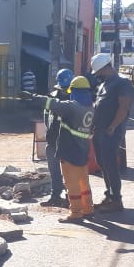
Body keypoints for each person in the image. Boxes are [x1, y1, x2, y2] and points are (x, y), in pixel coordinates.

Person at [21, 76, 95, 221]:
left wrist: (32, 97)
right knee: (83, 182)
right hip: (83, 150)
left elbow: (52, 103)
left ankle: (76, 213)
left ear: (74, 91)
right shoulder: (91, 107)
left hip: (69, 151)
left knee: (71, 183)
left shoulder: (72, 106)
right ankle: (88, 209)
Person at [88, 52, 134, 212]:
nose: (98, 75)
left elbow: (124, 107)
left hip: (111, 131)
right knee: (102, 164)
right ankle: (109, 195)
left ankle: (116, 200)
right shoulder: (103, 84)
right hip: (100, 130)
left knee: (110, 164)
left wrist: (113, 126)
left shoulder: (122, 83)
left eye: (99, 71)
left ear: (105, 68)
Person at [40, 68, 74, 208]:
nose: (64, 90)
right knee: (54, 171)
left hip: (69, 141)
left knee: (70, 172)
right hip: (53, 139)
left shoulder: (76, 97)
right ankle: (55, 195)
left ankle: (71, 197)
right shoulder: (52, 96)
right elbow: (47, 116)